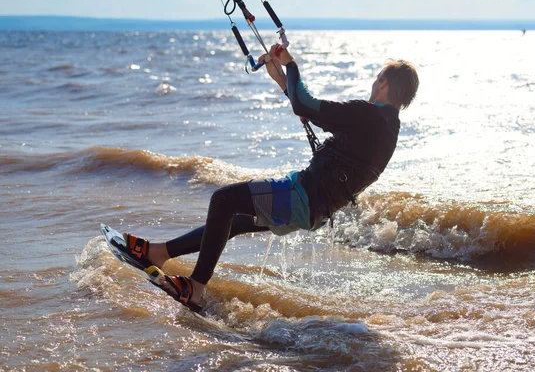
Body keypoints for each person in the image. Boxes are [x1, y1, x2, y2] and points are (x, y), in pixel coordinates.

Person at [121, 45, 419, 312]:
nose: (373, 82)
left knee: (223, 200)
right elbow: (308, 108)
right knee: (235, 219)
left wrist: (291, 64)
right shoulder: (386, 130)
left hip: (302, 196)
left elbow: (306, 105)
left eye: (377, 77)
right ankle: (159, 252)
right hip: (314, 211)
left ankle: (196, 287)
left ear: (384, 82)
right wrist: (281, 78)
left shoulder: (366, 115)